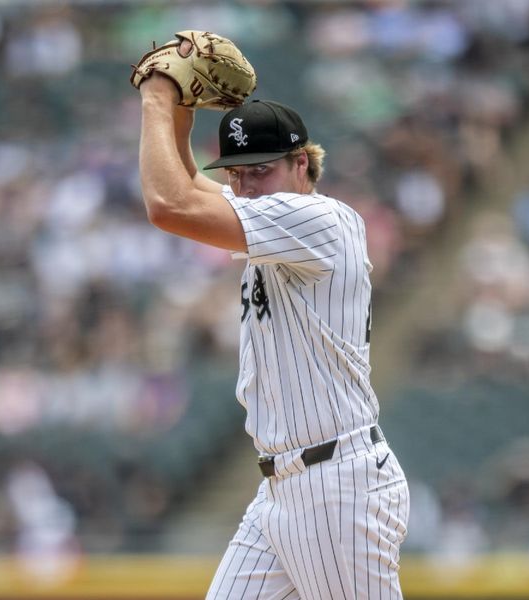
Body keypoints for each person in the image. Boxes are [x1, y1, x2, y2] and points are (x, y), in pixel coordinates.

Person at [138, 68, 410, 599]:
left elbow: (170, 205)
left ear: (301, 163)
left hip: (337, 487)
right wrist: (183, 110)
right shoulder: (275, 220)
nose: (244, 187)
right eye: (236, 175)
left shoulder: (319, 219)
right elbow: (192, 185)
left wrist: (156, 98)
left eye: (258, 171)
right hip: (284, 489)